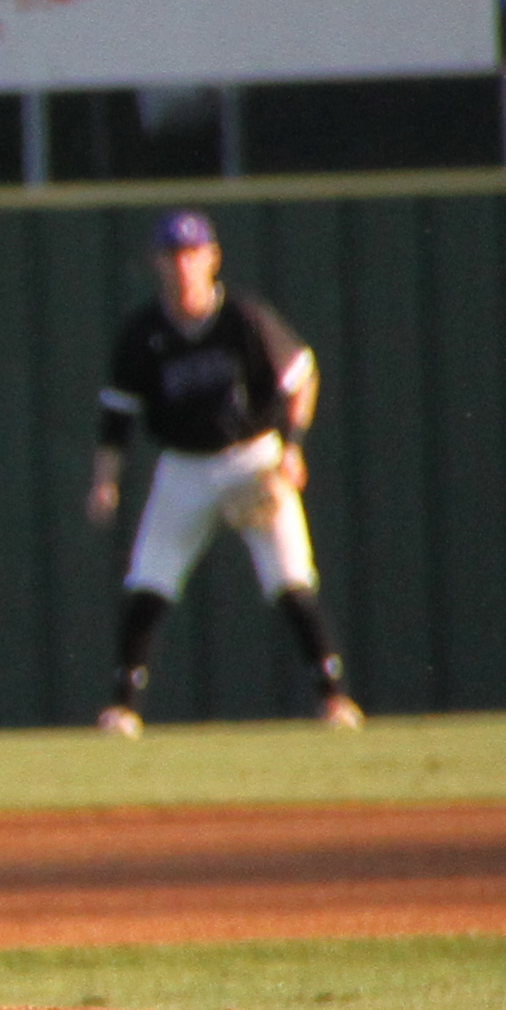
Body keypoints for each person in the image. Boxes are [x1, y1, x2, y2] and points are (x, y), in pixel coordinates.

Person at [87, 206, 363, 733]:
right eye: (172, 254)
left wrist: (292, 448)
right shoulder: (143, 332)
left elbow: (302, 376)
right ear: (157, 263)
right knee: (149, 580)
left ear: (212, 258)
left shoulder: (243, 318)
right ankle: (122, 707)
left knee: (290, 579)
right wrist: (106, 479)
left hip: (253, 460)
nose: (182, 265)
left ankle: (333, 699)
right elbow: (117, 417)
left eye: (192, 253)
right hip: (184, 467)